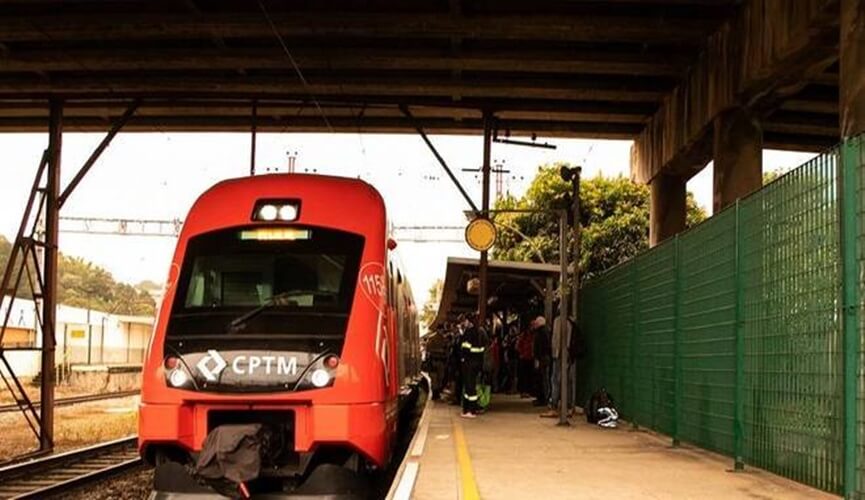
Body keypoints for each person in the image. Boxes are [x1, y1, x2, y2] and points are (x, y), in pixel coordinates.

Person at [541, 310, 572, 418]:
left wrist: (556, 353)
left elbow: (557, 339)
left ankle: (554, 406)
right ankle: (567, 406)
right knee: (565, 380)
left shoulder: (558, 322)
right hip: (566, 354)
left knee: (555, 380)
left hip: (559, 355)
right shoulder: (570, 322)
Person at [458, 313, 485, 418]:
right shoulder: (478, 331)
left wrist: (463, 358)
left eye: (464, 321)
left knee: (470, 387)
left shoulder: (469, 332)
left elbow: (465, 348)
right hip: (476, 362)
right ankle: (467, 409)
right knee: (469, 386)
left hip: (469, 363)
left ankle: (471, 411)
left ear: (468, 321)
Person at [531, 316, 552, 407]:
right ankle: (543, 398)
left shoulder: (541, 333)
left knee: (542, 378)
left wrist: (537, 358)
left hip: (542, 358)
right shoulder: (545, 332)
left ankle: (543, 398)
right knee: (543, 378)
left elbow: (540, 347)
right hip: (544, 358)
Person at [516, 326, 534, 397]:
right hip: (525, 358)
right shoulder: (524, 336)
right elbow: (518, 346)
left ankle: (527, 391)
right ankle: (524, 391)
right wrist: (522, 353)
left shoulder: (531, 336)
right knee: (524, 375)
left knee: (528, 375)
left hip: (529, 358)